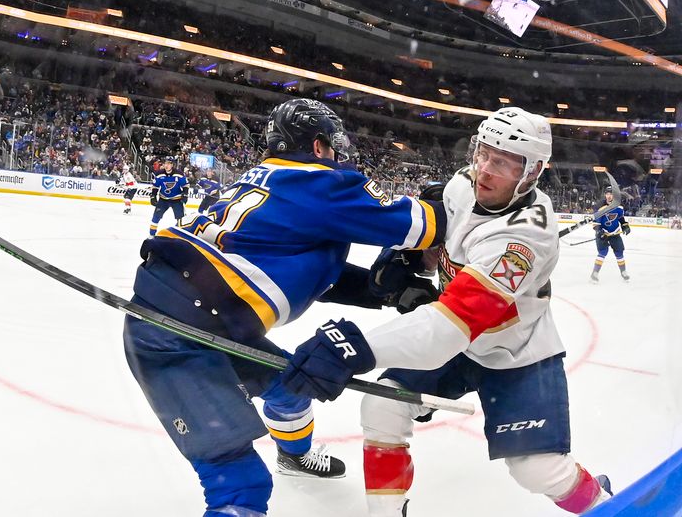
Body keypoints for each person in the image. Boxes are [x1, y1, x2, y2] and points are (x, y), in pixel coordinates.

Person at [122, 98, 446, 517]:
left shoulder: (266, 183)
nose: (336, 154)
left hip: (203, 322)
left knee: (292, 386)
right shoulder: (318, 183)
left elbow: (299, 267)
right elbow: (424, 226)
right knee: (239, 487)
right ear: (316, 147)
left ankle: (293, 455)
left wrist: (378, 291)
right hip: (178, 338)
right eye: (332, 145)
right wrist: (466, 198)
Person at [281, 107, 612, 516]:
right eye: (483, 153)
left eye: (504, 164)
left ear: (532, 171)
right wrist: (413, 259)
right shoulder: (461, 185)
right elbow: (441, 242)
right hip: (462, 347)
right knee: (383, 406)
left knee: (537, 471)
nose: (486, 171)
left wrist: (354, 347)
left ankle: (603, 504)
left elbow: (451, 326)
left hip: (517, 356)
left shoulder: (523, 238)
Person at [590, 186, 630, 283]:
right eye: (607, 194)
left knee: (619, 253)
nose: (609, 196)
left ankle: (623, 271)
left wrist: (625, 226)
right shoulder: (600, 207)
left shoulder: (619, 207)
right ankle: (594, 273)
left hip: (615, 234)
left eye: (611, 194)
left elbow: (621, 218)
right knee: (602, 252)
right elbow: (596, 224)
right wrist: (600, 232)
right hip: (602, 234)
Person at [149, 158, 189, 236]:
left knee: (180, 220)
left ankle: (181, 236)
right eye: (165, 163)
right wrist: (153, 195)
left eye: (168, 163)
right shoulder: (159, 174)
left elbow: (185, 185)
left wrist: (185, 194)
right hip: (163, 199)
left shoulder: (179, 174)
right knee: (155, 217)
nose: (166, 165)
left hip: (177, 200)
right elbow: (155, 186)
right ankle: (151, 235)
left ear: (172, 165)